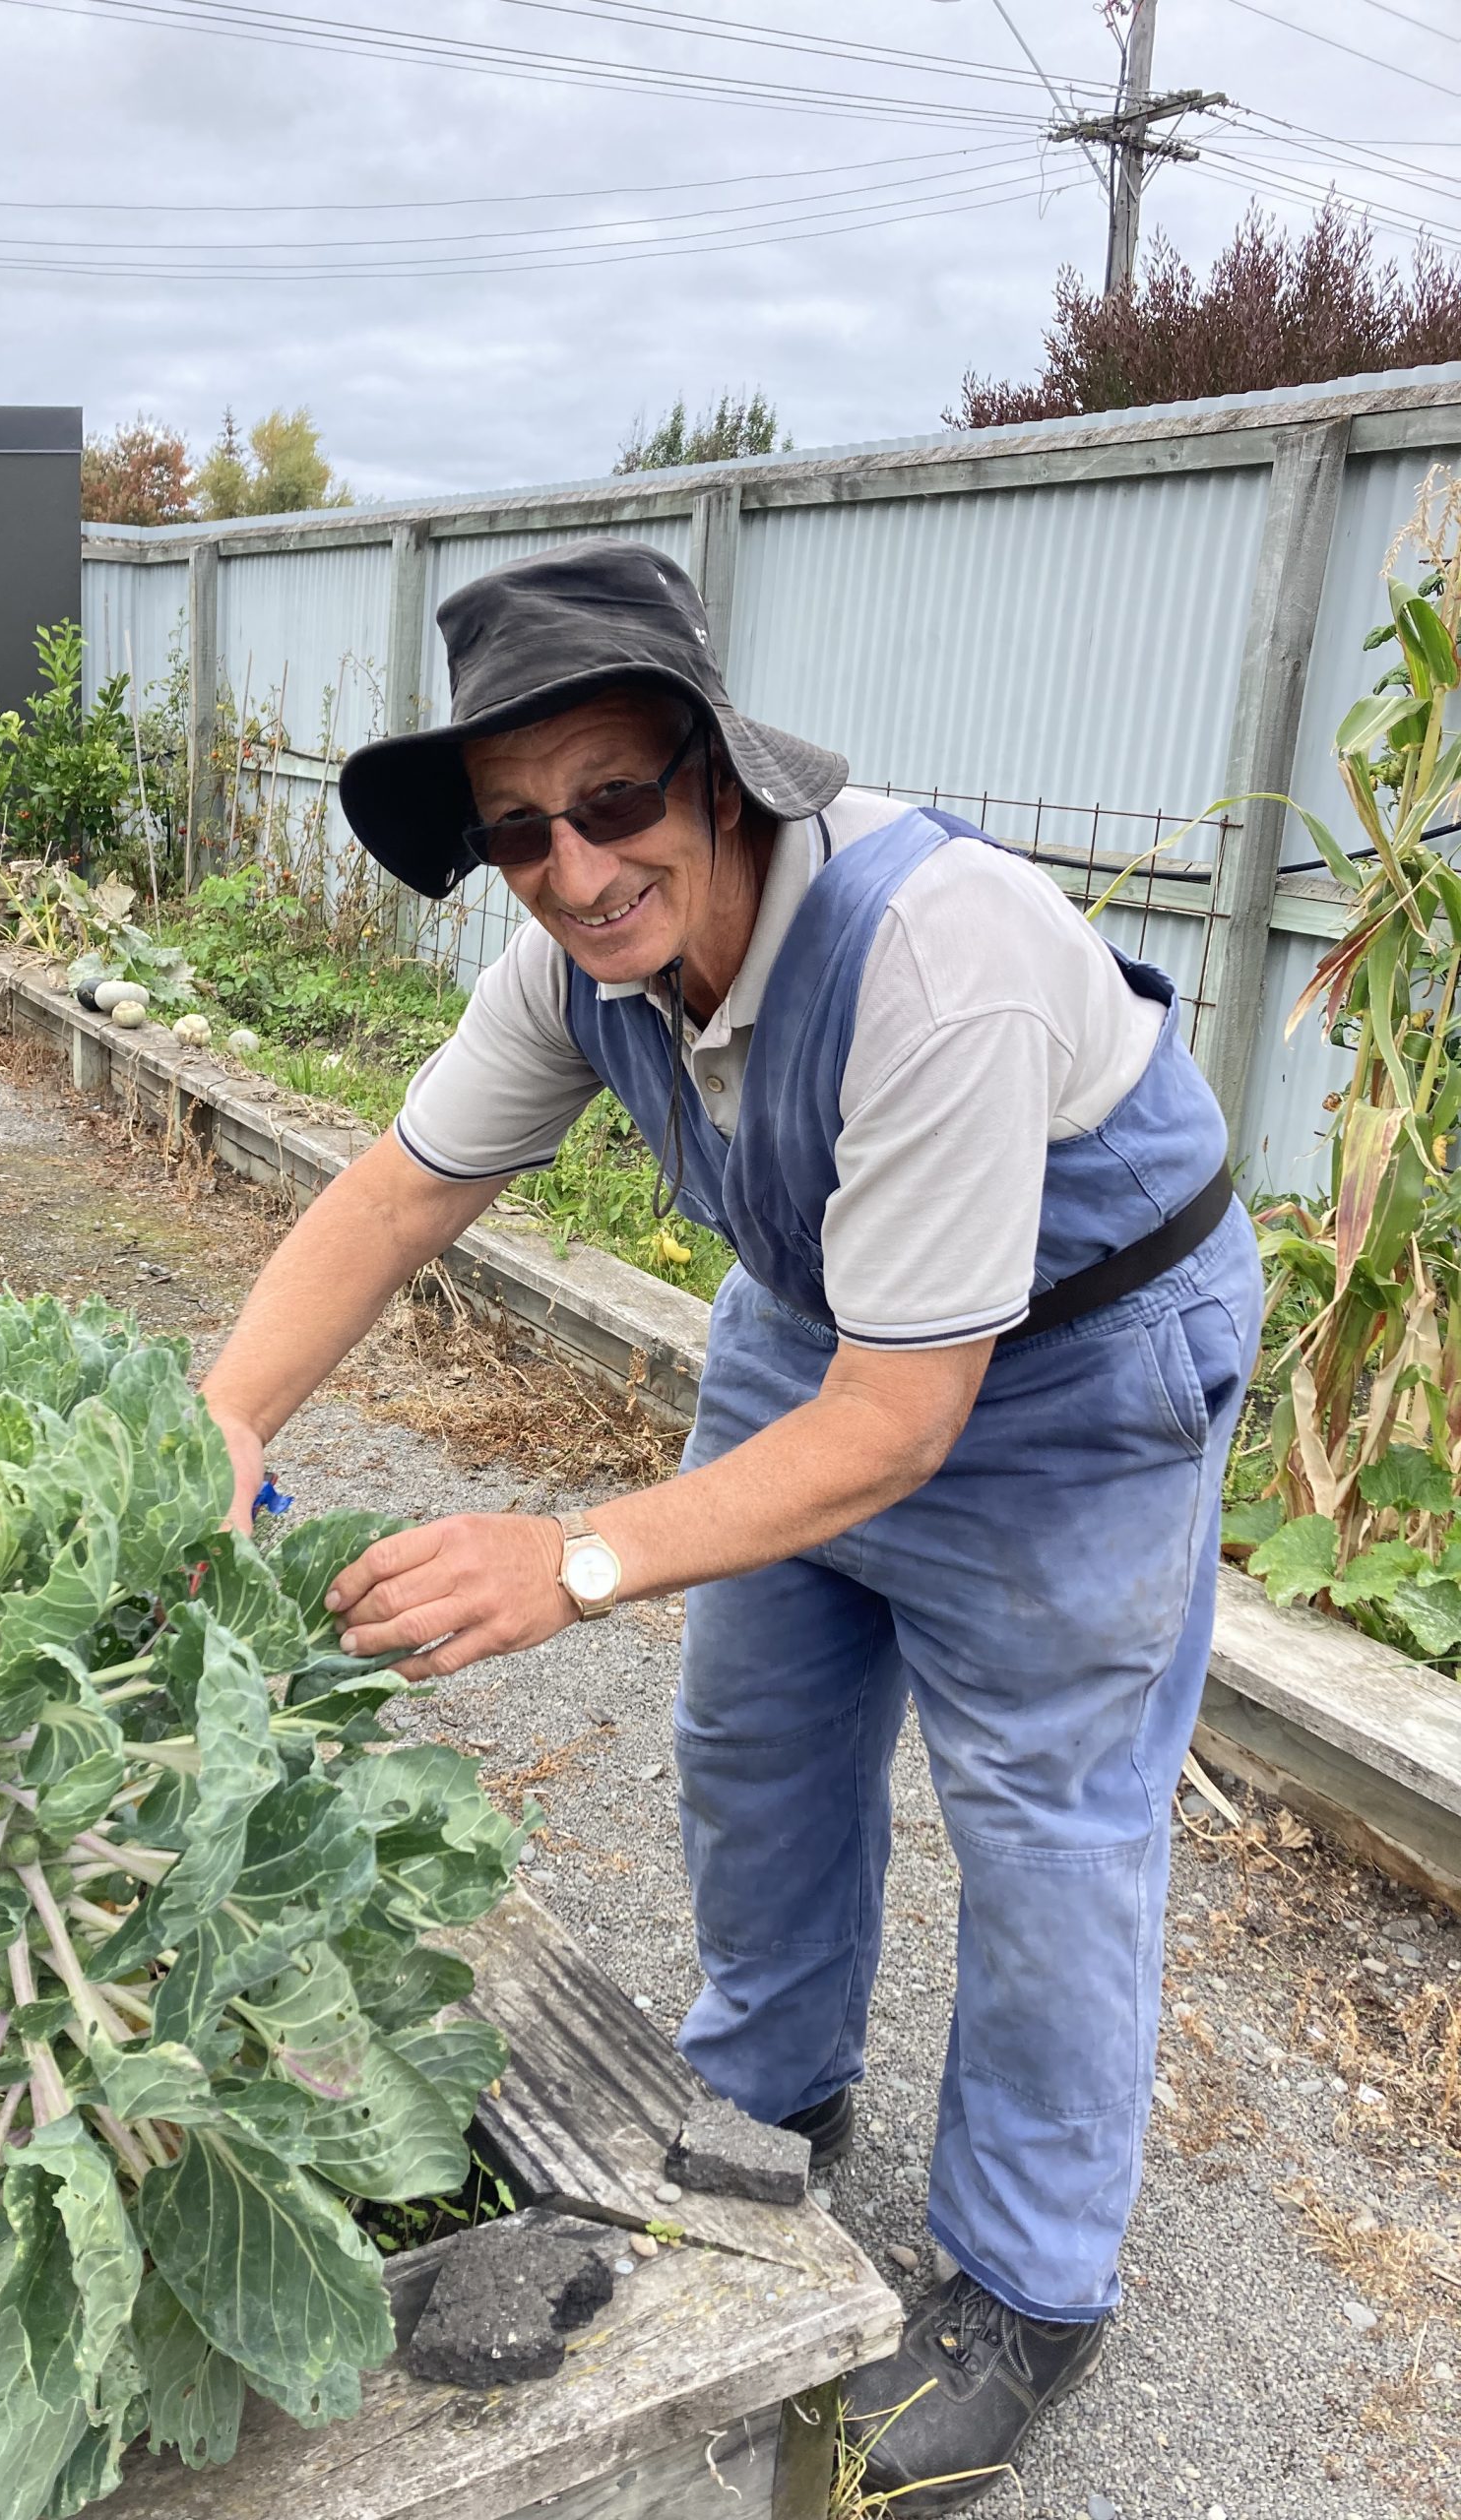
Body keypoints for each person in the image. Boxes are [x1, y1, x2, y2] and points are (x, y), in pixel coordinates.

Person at [200, 539, 1260, 2514]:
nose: (577, 866)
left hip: (1080, 1350)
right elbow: (400, 1193)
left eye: (612, 800)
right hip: (831, 1306)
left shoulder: (923, 953)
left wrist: (571, 1553)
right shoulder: (571, 966)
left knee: (1044, 1809)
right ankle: (774, 2078)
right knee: (754, 1719)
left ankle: (1031, 2280)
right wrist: (225, 1408)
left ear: (714, 773)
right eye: (520, 833)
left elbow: (901, 1418)